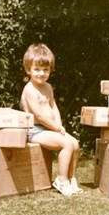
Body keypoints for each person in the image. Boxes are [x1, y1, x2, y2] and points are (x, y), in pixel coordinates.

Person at [20, 43, 81, 196]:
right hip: (35, 130)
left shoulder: (48, 87)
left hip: (50, 127)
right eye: (37, 69)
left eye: (45, 70)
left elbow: (53, 106)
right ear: (29, 69)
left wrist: (59, 125)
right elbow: (39, 115)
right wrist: (55, 128)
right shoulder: (29, 89)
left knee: (75, 144)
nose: (41, 73)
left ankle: (70, 178)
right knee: (66, 145)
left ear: (50, 70)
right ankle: (61, 180)